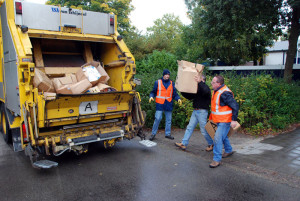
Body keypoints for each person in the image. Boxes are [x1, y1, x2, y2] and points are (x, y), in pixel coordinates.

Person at [174, 74, 213, 151]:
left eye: (198, 79)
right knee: (189, 127)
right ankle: (183, 143)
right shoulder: (197, 89)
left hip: (202, 112)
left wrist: (200, 82)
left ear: (203, 80)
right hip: (195, 111)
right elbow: (190, 96)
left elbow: (205, 91)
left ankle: (211, 143)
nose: (196, 80)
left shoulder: (206, 88)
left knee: (203, 130)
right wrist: (182, 90)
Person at [209, 75, 239, 168]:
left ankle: (216, 159)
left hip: (225, 121)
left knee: (217, 138)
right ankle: (229, 150)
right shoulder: (217, 91)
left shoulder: (224, 93)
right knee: (223, 136)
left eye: (213, 82)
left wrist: (233, 120)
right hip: (219, 120)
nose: (211, 83)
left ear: (218, 83)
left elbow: (235, 106)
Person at [149, 69, 182, 141]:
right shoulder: (157, 82)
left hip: (168, 104)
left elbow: (174, 94)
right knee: (158, 118)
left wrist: (178, 98)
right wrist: (151, 96)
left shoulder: (171, 83)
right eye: (166, 74)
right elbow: (153, 92)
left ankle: (167, 134)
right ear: (163, 75)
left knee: (168, 120)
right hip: (160, 104)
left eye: (168, 75)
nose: (167, 76)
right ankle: (153, 134)